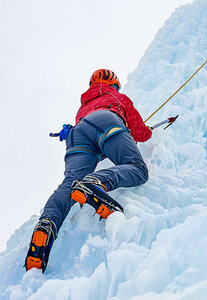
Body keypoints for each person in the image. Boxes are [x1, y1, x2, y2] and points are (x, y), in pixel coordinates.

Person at [25, 69, 152, 272]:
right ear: (114, 84)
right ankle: (94, 183)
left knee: (69, 184)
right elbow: (140, 132)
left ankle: (47, 223)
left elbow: (95, 141)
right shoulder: (117, 96)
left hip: (77, 132)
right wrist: (148, 132)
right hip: (107, 120)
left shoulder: (83, 105)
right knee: (138, 169)